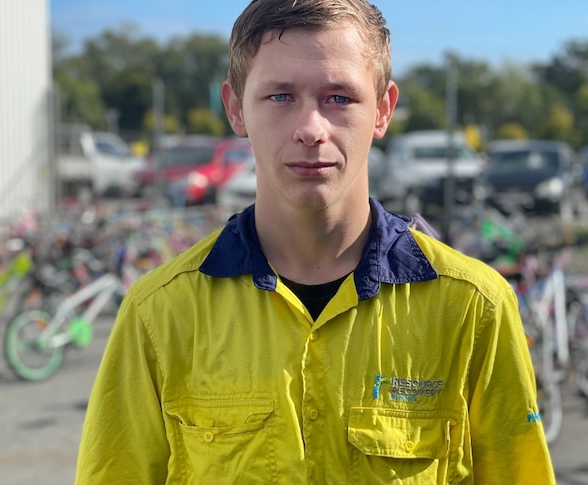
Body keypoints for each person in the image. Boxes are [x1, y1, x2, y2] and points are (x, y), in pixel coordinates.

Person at [75, 0, 555, 482]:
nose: (310, 129)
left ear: (384, 110)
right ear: (236, 108)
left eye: (338, 98)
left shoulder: (474, 307)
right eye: (281, 97)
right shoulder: (158, 314)